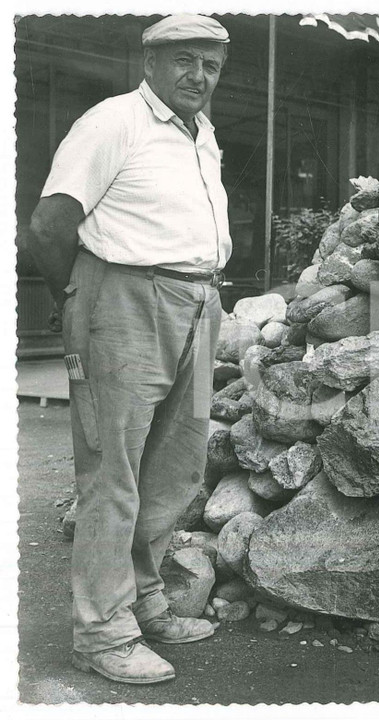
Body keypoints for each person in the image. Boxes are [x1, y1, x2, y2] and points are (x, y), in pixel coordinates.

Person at [23, 14, 232, 685]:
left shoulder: (201, 134)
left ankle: (143, 603)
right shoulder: (113, 121)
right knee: (113, 474)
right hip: (125, 303)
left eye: (211, 65)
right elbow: (49, 226)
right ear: (151, 59)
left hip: (199, 305)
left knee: (176, 464)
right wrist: (78, 300)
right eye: (185, 61)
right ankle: (103, 634)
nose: (198, 76)